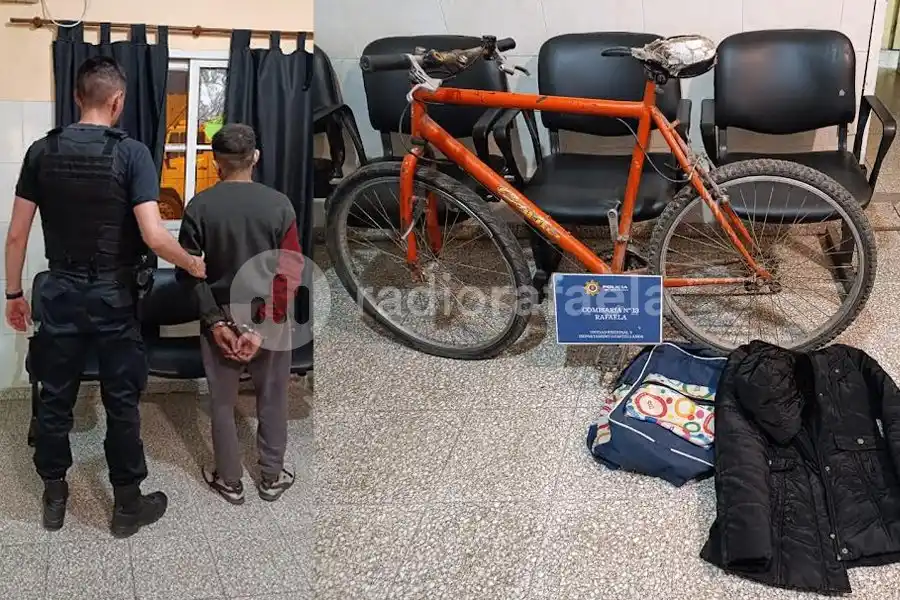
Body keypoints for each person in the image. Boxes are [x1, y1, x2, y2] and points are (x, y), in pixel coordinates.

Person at [4, 56, 206, 537]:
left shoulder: (40, 151)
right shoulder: (132, 153)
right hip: (114, 296)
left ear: (77, 97)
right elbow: (154, 236)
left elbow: (15, 236)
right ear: (117, 102)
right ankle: (126, 506)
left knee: (55, 398)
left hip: (59, 293)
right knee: (121, 400)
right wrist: (193, 263)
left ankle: (55, 495)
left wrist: (13, 292)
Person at [177, 123, 303, 504]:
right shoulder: (279, 204)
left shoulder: (199, 207)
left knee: (221, 401)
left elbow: (188, 273)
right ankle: (271, 475)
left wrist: (215, 322)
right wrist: (263, 326)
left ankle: (229, 481)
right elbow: (290, 271)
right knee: (273, 397)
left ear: (215, 163)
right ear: (256, 158)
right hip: (271, 318)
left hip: (221, 318)